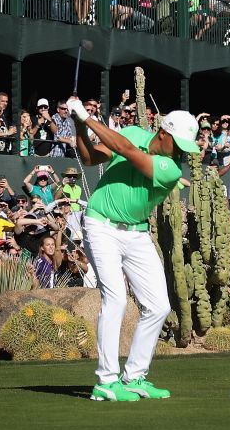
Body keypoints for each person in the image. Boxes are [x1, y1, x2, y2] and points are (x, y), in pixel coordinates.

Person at [69, 97, 198, 402]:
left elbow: (126, 150)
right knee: (115, 299)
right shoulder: (132, 133)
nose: (181, 153)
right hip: (101, 225)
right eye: (178, 145)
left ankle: (134, 377)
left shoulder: (169, 169)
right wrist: (78, 125)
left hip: (137, 234)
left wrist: (86, 117)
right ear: (163, 133)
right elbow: (90, 158)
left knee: (159, 306)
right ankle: (106, 381)